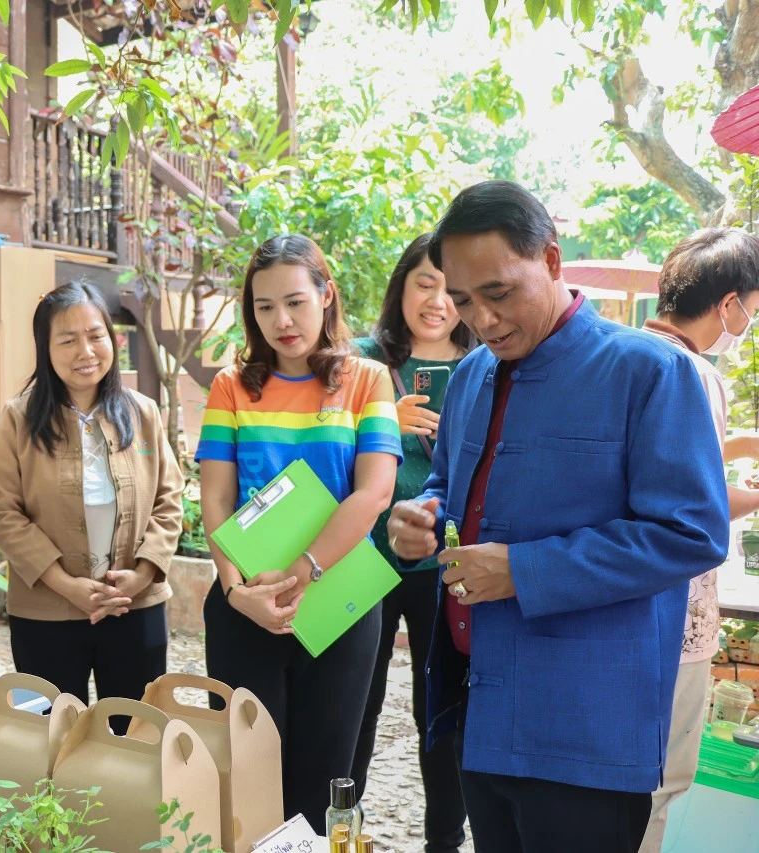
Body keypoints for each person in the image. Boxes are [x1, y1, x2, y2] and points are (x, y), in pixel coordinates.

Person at [385, 181, 730, 853]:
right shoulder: (472, 376)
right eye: (461, 300)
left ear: (549, 260)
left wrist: (524, 569)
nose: (480, 319)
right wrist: (420, 523)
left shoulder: (650, 372)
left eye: (498, 293)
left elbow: (691, 532)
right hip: (478, 704)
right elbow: (452, 492)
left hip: (585, 726)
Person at [196, 235, 402, 827]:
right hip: (247, 602)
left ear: (325, 295)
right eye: (264, 307)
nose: (281, 321)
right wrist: (236, 592)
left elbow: (374, 492)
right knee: (248, 775)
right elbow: (216, 496)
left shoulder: (366, 380)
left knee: (326, 777)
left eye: (295, 301)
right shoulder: (231, 387)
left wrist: (301, 570)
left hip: (337, 599)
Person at [0, 282, 184, 729]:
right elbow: (2, 511)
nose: (85, 350)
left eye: (95, 335)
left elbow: (170, 501)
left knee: (137, 731)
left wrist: (142, 575)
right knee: (52, 734)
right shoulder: (18, 417)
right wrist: (66, 584)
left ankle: (131, 803)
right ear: (46, 348)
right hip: (47, 612)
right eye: (67, 339)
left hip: (135, 606)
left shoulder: (142, 412)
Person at [350, 233, 473, 853]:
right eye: (424, 283)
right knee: (354, 707)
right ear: (401, 285)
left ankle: (444, 843)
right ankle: (341, 832)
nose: (438, 301)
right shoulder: (360, 361)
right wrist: (380, 422)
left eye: (451, 287)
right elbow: (319, 452)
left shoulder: (486, 363)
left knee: (442, 714)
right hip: (360, 562)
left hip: (443, 565)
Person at [638, 228, 759, 853]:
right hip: (677, 609)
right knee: (663, 781)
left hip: (626, 605)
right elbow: (704, 502)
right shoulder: (697, 372)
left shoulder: (626, 353)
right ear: (730, 302)